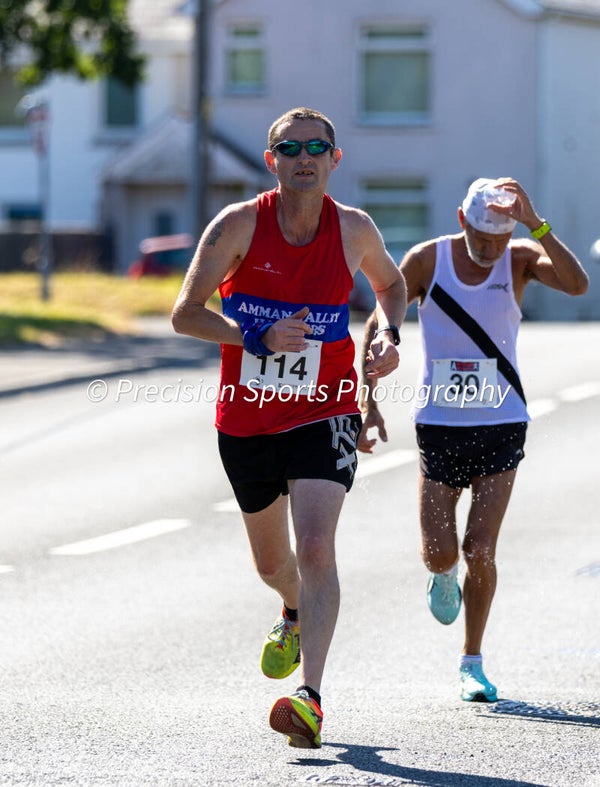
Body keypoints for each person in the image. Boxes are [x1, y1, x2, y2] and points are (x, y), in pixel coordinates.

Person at [172, 107, 407, 747]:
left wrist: (387, 334)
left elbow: (392, 286)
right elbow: (185, 315)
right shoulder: (238, 225)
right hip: (247, 418)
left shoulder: (354, 229)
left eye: (316, 146)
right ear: (271, 158)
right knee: (274, 564)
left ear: (335, 159)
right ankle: (292, 607)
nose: (304, 156)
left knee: (316, 545)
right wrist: (256, 336)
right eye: (289, 146)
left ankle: (311, 697)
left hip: (327, 403)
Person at [359, 177, 588, 702]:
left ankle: (472, 661)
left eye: (499, 240)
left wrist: (536, 223)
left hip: (502, 421)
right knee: (441, 553)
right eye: (481, 238)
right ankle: (442, 575)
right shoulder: (426, 261)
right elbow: (378, 320)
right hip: (439, 424)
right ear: (462, 221)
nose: (489, 251)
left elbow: (577, 286)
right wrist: (369, 399)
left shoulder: (520, 256)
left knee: (479, 547)